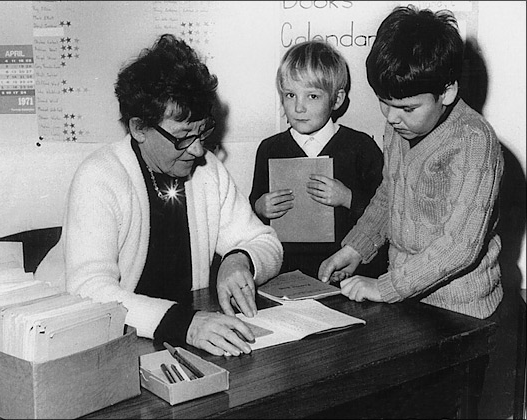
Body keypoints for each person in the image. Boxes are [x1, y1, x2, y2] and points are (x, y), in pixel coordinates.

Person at [35, 34, 283, 357]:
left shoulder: (208, 172)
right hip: (90, 344)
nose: (197, 150)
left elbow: (267, 242)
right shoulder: (99, 177)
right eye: (182, 138)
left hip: (172, 340)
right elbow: (89, 292)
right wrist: (187, 325)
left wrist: (238, 259)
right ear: (139, 128)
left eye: (202, 132)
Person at [319, 5, 505, 320]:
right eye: (384, 103)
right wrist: (356, 248)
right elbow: (390, 196)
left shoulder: (475, 141)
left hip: (461, 310)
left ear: (446, 93)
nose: (391, 118)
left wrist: (384, 288)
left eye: (406, 108)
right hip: (407, 298)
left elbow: (460, 246)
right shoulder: (399, 127)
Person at [249, 40, 386, 279]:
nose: (298, 107)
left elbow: (384, 215)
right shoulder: (270, 148)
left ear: (337, 99)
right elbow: (252, 212)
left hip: (348, 271)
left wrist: (347, 198)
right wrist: (261, 207)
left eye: (312, 96)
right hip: (285, 274)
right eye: (290, 95)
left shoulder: (361, 147)